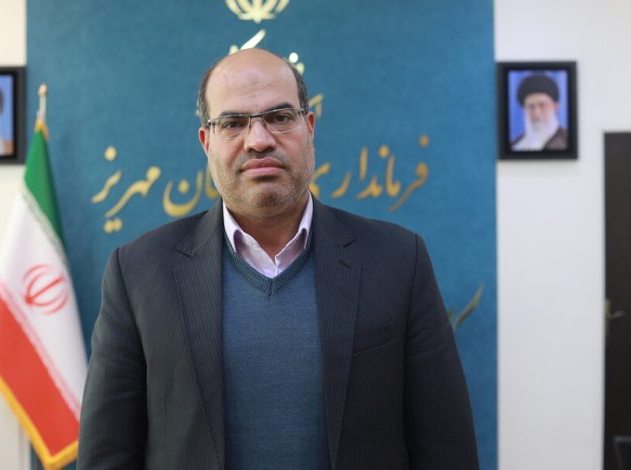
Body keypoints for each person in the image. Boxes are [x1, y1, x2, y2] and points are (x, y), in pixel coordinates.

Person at [78, 48, 479, 469]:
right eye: (233, 123)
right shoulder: (139, 273)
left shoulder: (398, 261)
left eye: (280, 117)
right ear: (207, 142)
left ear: (309, 128)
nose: (259, 140)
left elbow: (446, 451)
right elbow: (107, 457)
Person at [511, 73, 568, 151]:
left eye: (542, 105)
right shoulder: (514, 145)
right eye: (530, 107)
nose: (536, 113)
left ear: (555, 106)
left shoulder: (569, 140)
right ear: (523, 110)